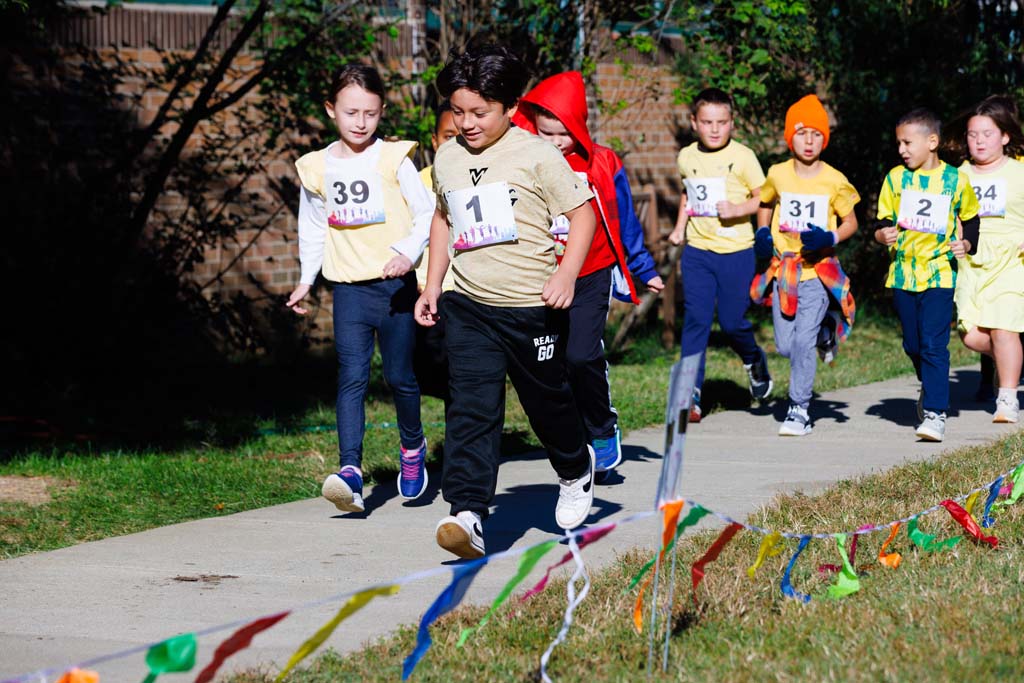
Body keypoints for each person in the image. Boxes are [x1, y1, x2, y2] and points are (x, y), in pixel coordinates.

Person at [414, 46, 598, 559]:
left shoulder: (538, 154)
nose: (466, 123)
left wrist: (566, 274)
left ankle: (574, 466)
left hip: (531, 306)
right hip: (469, 305)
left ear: (510, 108)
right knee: (471, 407)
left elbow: (583, 215)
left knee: (547, 401)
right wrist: (433, 286)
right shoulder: (447, 157)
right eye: (457, 111)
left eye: (479, 113)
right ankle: (468, 513)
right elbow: (443, 220)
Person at [286, 64, 433, 513]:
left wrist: (408, 253)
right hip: (348, 289)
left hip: (394, 289)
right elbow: (312, 228)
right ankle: (350, 471)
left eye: (370, 113)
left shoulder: (394, 159)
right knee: (350, 378)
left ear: (381, 112)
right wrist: (306, 279)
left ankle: (412, 449)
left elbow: (427, 212)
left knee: (399, 377)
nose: (360, 122)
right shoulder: (316, 168)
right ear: (332, 110)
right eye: (351, 112)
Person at [511, 71, 664, 477]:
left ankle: (602, 427)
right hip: (541, 275)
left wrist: (641, 266)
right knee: (552, 365)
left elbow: (623, 220)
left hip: (591, 273)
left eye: (564, 133)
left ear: (578, 128)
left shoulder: (602, 162)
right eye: (546, 133)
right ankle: (574, 436)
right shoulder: (524, 161)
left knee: (581, 355)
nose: (556, 143)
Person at [751, 95, 859, 436]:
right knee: (785, 344)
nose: (809, 141)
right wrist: (762, 234)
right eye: (801, 133)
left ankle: (799, 409)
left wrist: (830, 237)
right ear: (789, 137)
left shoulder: (834, 179)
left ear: (824, 139)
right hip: (784, 272)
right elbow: (765, 202)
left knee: (801, 343)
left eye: (816, 134)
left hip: (816, 272)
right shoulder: (778, 173)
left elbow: (851, 221)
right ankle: (827, 331)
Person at [873, 108, 980, 442]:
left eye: (908, 142)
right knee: (913, 343)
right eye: (899, 144)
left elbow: (973, 219)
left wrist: (966, 243)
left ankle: (935, 413)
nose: (902, 149)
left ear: (932, 141)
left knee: (934, 343)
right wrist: (882, 236)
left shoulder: (956, 179)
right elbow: (881, 223)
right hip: (904, 273)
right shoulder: (895, 179)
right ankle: (929, 384)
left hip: (939, 273)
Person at [668, 88, 773, 422]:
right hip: (698, 251)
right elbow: (689, 195)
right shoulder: (686, 156)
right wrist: (679, 227)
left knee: (731, 322)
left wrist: (739, 208)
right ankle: (690, 396)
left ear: (732, 123)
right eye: (707, 122)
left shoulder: (743, 157)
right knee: (696, 321)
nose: (715, 129)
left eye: (722, 122)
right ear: (694, 123)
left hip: (736, 251)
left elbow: (766, 197)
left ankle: (754, 359)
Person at [952, 95, 1024, 423]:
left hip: (1012, 259)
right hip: (971, 263)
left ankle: (1007, 399)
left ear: (1005, 137)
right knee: (969, 333)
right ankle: (1012, 362)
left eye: (987, 134)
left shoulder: (1019, 171)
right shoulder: (956, 175)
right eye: (972, 134)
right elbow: (947, 217)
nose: (979, 141)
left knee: (1005, 329)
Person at [412, 101, 459, 415]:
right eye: (446, 136)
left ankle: (466, 447)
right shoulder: (417, 183)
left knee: (467, 374)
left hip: (471, 291)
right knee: (433, 369)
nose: (453, 144)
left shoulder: (481, 178)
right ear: (434, 141)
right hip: (430, 291)